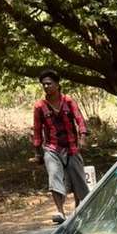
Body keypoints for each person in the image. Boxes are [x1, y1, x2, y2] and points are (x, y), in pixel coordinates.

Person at [32, 68, 90, 224]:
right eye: (43, 84)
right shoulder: (39, 106)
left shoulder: (69, 101)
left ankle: (80, 207)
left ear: (57, 85)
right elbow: (37, 130)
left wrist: (83, 137)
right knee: (54, 176)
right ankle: (60, 211)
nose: (46, 87)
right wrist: (38, 153)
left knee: (78, 178)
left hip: (71, 146)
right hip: (52, 148)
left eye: (49, 84)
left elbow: (80, 120)